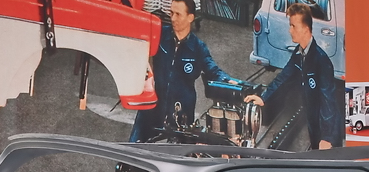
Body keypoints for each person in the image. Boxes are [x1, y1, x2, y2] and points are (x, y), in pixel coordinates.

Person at [130, 0, 235, 142]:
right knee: (134, 148)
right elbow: (136, 46)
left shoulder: (198, 47)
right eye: (171, 13)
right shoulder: (159, 34)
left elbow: (212, 70)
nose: (173, 18)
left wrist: (227, 81)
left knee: (179, 153)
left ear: (190, 17)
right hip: (153, 108)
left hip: (181, 113)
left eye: (178, 14)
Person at [244, 3, 341, 151]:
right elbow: (284, 77)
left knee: (328, 163)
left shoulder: (322, 61)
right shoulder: (299, 53)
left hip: (327, 129)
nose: (290, 30)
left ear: (306, 29)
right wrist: (263, 98)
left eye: (293, 26)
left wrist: (327, 138)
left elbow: (329, 102)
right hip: (313, 122)